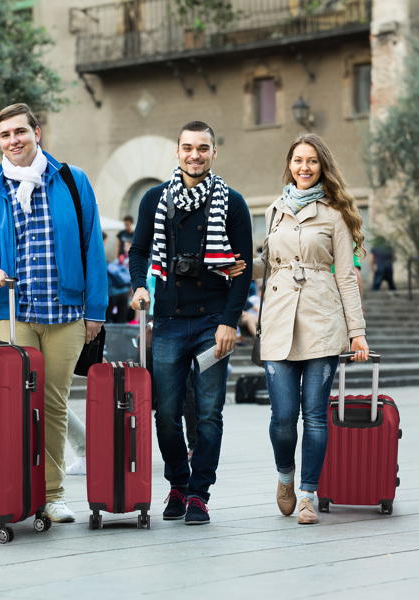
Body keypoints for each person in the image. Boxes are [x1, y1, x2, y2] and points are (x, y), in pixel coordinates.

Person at [0, 103, 107, 523]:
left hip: (66, 314)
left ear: (37, 132)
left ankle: (53, 494)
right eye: (5, 135)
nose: (13, 141)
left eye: (20, 132)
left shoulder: (72, 181)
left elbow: (91, 248)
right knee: (19, 405)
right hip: (16, 317)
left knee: (53, 404)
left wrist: (94, 311)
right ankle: (17, 488)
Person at [129, 120, 253, 525]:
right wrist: (138, 287)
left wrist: (230, 322)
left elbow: (242, 269)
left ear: (213, 152)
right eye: (187, 147)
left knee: (207, 413)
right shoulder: (154, 199)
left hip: (212, 322)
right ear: (178, 152)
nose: (194, 155)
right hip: (166, 322)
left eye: (203, 148)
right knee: (165, 413)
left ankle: (199, 493)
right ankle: (177, 485)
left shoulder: (232, 203)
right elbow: (139, 250)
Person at [247, 133, 369, 525]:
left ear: (322, 167)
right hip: (280, 318)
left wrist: (357, 331)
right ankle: (286, 476)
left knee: (315, 415)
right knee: (283, 416)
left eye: (312, 161)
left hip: (322, 318)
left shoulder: (335, 215)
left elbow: (347, 277)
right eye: (298, 160)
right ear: (290, 164)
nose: (304, 167)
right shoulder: (274, 210)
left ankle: (306, 495)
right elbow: (270, 263)